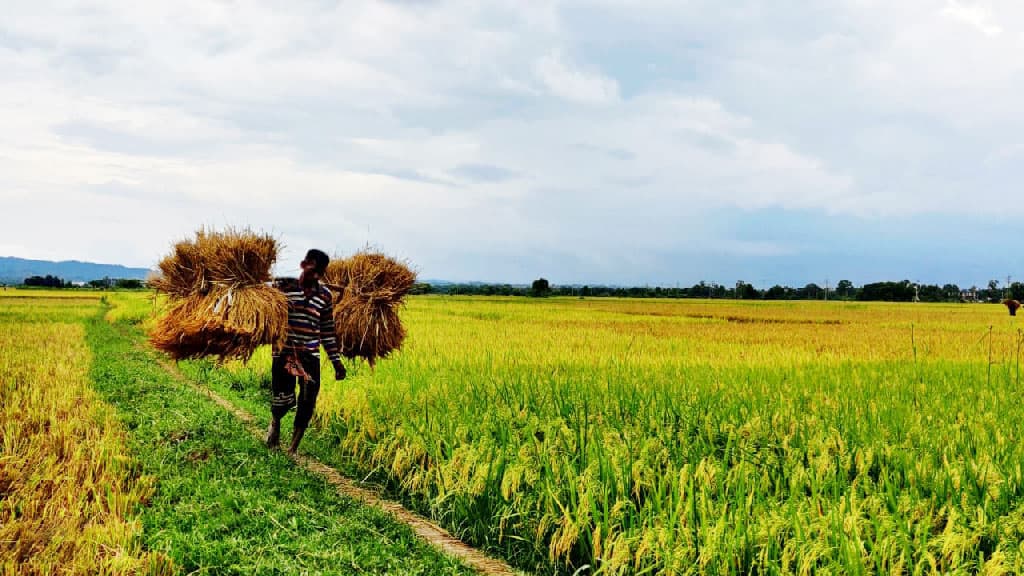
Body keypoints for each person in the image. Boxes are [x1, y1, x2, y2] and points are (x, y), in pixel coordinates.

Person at [266, 249, 346, 454]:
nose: (317, 275)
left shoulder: (325, 295)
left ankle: (292, 449)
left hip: (310, 354)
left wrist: (336, 362)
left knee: (308, 400)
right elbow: (259, 296)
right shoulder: (284, 287)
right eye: (313, 269)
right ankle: (275, 423)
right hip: (284, 351)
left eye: (321, 271)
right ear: (303, 265)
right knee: (282, 396)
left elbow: (327, 331)